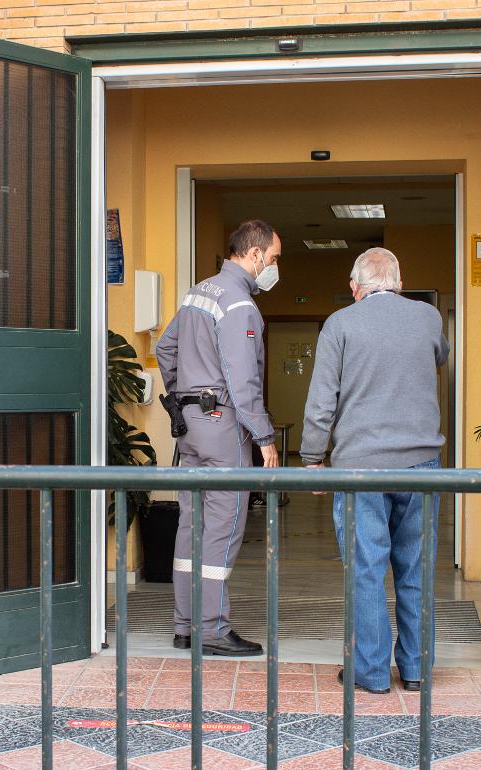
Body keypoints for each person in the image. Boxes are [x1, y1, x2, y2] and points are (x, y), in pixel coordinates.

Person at [299, 247, 449, 694]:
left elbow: (321, 400)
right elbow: (439, 357)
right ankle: (418, 669)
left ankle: (370, 673)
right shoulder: (428, 317)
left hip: (359, 466)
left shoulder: (340, 324)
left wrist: (311, 458)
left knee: (366, 568)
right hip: (421, 464)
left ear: (354, 287)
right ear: (399, 283)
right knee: (416, 567)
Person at [155, 219, 282, 656]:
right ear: (255, 254)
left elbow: (165, 348)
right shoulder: (239, 304)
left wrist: (182, 393)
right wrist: (264, 436)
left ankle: (185, 624)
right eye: (275, 257)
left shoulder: (197, 292)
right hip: (222, 425)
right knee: (223, 526)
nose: (274, 266)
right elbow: (242, 379)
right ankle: (212, 629)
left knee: (191, 523)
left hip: (188, 427)